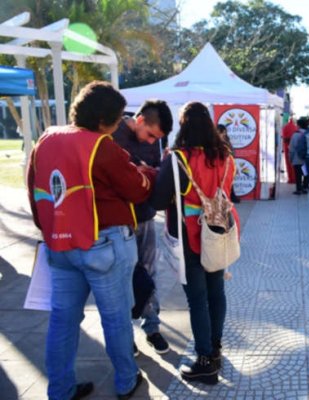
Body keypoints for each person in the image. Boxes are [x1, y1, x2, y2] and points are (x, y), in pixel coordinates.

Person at [27, 81, 155, 399]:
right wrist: (148, 174)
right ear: (102, 121)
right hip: (104, 245)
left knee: (63, 319)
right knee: (115, 317)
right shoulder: (101, 145)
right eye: (114, 121)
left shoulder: (46, 139)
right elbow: (135, 188)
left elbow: (34, 188)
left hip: (60, 243)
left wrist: (48, 229)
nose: (115, 128)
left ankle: (60, 389)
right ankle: (126, 380)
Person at [150, 101, 238, 385]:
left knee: (198, 299)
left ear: (184, 123)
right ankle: (215, 350)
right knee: (217, 293)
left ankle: (205, 362)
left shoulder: (177, 159)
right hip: (220, 231)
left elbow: (158, 200)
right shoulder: (226, 156)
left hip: (190, 236)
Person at [112, 100, 173, 357]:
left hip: (145, 216)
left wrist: (157, 171)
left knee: (149, 275)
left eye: (156, 138)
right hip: (118, 221)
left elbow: (153, 172)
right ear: (139, 120)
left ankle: (152, 328)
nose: (151, 142)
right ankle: (126, 334)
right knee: (121, 279)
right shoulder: (112, 134)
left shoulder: (154, 140)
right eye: (150, 135)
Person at [217, 124, 240, 203]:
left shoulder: (227, 141)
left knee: (229, 181)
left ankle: (230, 196)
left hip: (228, 164)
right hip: (220, 165)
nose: (223, 134)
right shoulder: (215, 141)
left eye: (224, 132)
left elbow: (232, 153)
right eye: (221, 132)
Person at [289, 117, 309, 194]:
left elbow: (291, 149)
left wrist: (290, 158)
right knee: (305, 173)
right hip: (306, 159)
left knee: (298, 175)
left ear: (299, 125)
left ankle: (299, 189)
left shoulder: (295, 135)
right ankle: (306, 187)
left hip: (297, 159)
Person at [282, 115, 298, 184]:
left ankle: (290, 178)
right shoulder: (296, 128)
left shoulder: (285, 127)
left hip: (286, 146)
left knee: (288, 163)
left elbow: (283, 137)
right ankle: (295, 178)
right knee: (294, 164)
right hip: (295, 148)